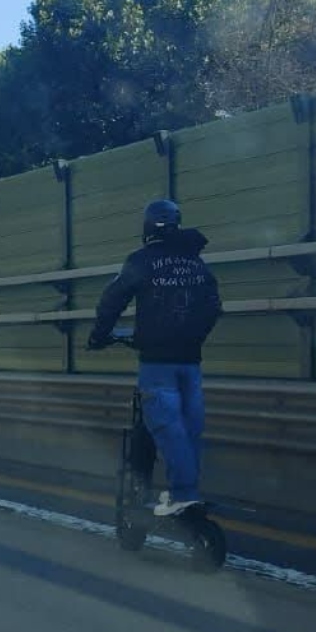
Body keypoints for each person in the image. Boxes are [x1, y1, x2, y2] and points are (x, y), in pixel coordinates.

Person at [87, 200, 222, 516]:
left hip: (156, 361)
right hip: (190, 360)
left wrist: (98, 336)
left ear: (147, 228)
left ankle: (183, 495)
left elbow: (111, 300)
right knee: (191, 427)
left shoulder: (141, 260)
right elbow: (214, 307)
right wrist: (193, 337)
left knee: (165, 423)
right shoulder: (196, 262)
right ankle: (188, 492)